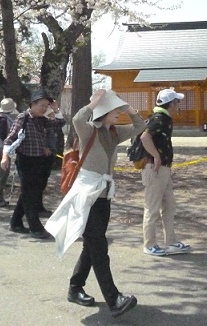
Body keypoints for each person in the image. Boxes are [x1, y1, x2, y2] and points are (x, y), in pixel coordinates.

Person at [45, 89, 145, 319]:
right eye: (115, 110)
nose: (118, 113)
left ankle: (74, 287)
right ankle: (114, 299)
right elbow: (78, 118)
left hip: (103, 196)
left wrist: (129, 108)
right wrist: (94, 103)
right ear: (104, 112)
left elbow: (140, 127)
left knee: (92, 246)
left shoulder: (114, 133)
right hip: (86, 195)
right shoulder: (88, 129)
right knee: (99, 247)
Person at [0, 88, 64, 239]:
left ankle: (15, 222)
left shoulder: (43, 119)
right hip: (26, 160)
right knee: (31, 194)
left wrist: (55, 110)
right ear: (32, 104)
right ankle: (35, 227)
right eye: (41, 105)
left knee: (30, 193)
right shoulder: (23, 117)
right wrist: (5, 156)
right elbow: (10, 137)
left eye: (46, 105)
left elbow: (60, 124)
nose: (44, 108)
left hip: (40, 161)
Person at [139, 88, 191, 257]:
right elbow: (144, 137)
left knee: (169, 205)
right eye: (177, 102)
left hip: (164, 169)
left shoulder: (164, 118)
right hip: (155, 169)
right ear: (171, 104)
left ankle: (171, 241)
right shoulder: (159, 119)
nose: (179, 105)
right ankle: (150, 244)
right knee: (152, 207)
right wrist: (156, 156)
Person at [0, 98, 18, 208]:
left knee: (2, 173)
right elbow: (3, 135)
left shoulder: (0, 117)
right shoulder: (2, 119)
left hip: (1, 148)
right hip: (2, 148)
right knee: (2, 173)